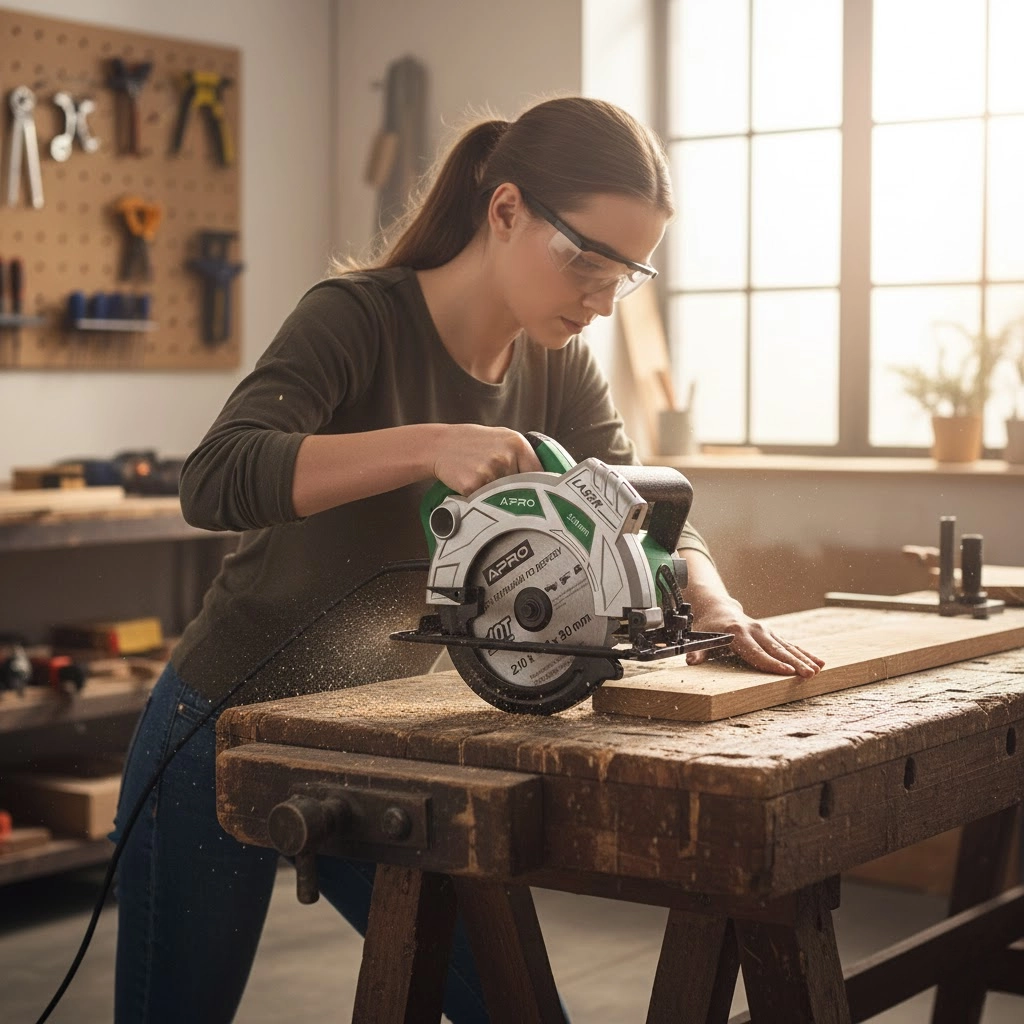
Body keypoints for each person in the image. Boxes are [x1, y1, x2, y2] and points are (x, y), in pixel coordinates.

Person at [111, 95, 824, 1023]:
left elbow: (646, 514)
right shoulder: (356, 317)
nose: (602, 301)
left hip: (380, 735)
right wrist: (426, 445)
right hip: (220, 724)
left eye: (627, 276)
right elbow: (212, 479)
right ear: (505, 212)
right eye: (585, 263)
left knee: (513, 1007)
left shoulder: (557, 365)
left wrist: (713, 602)